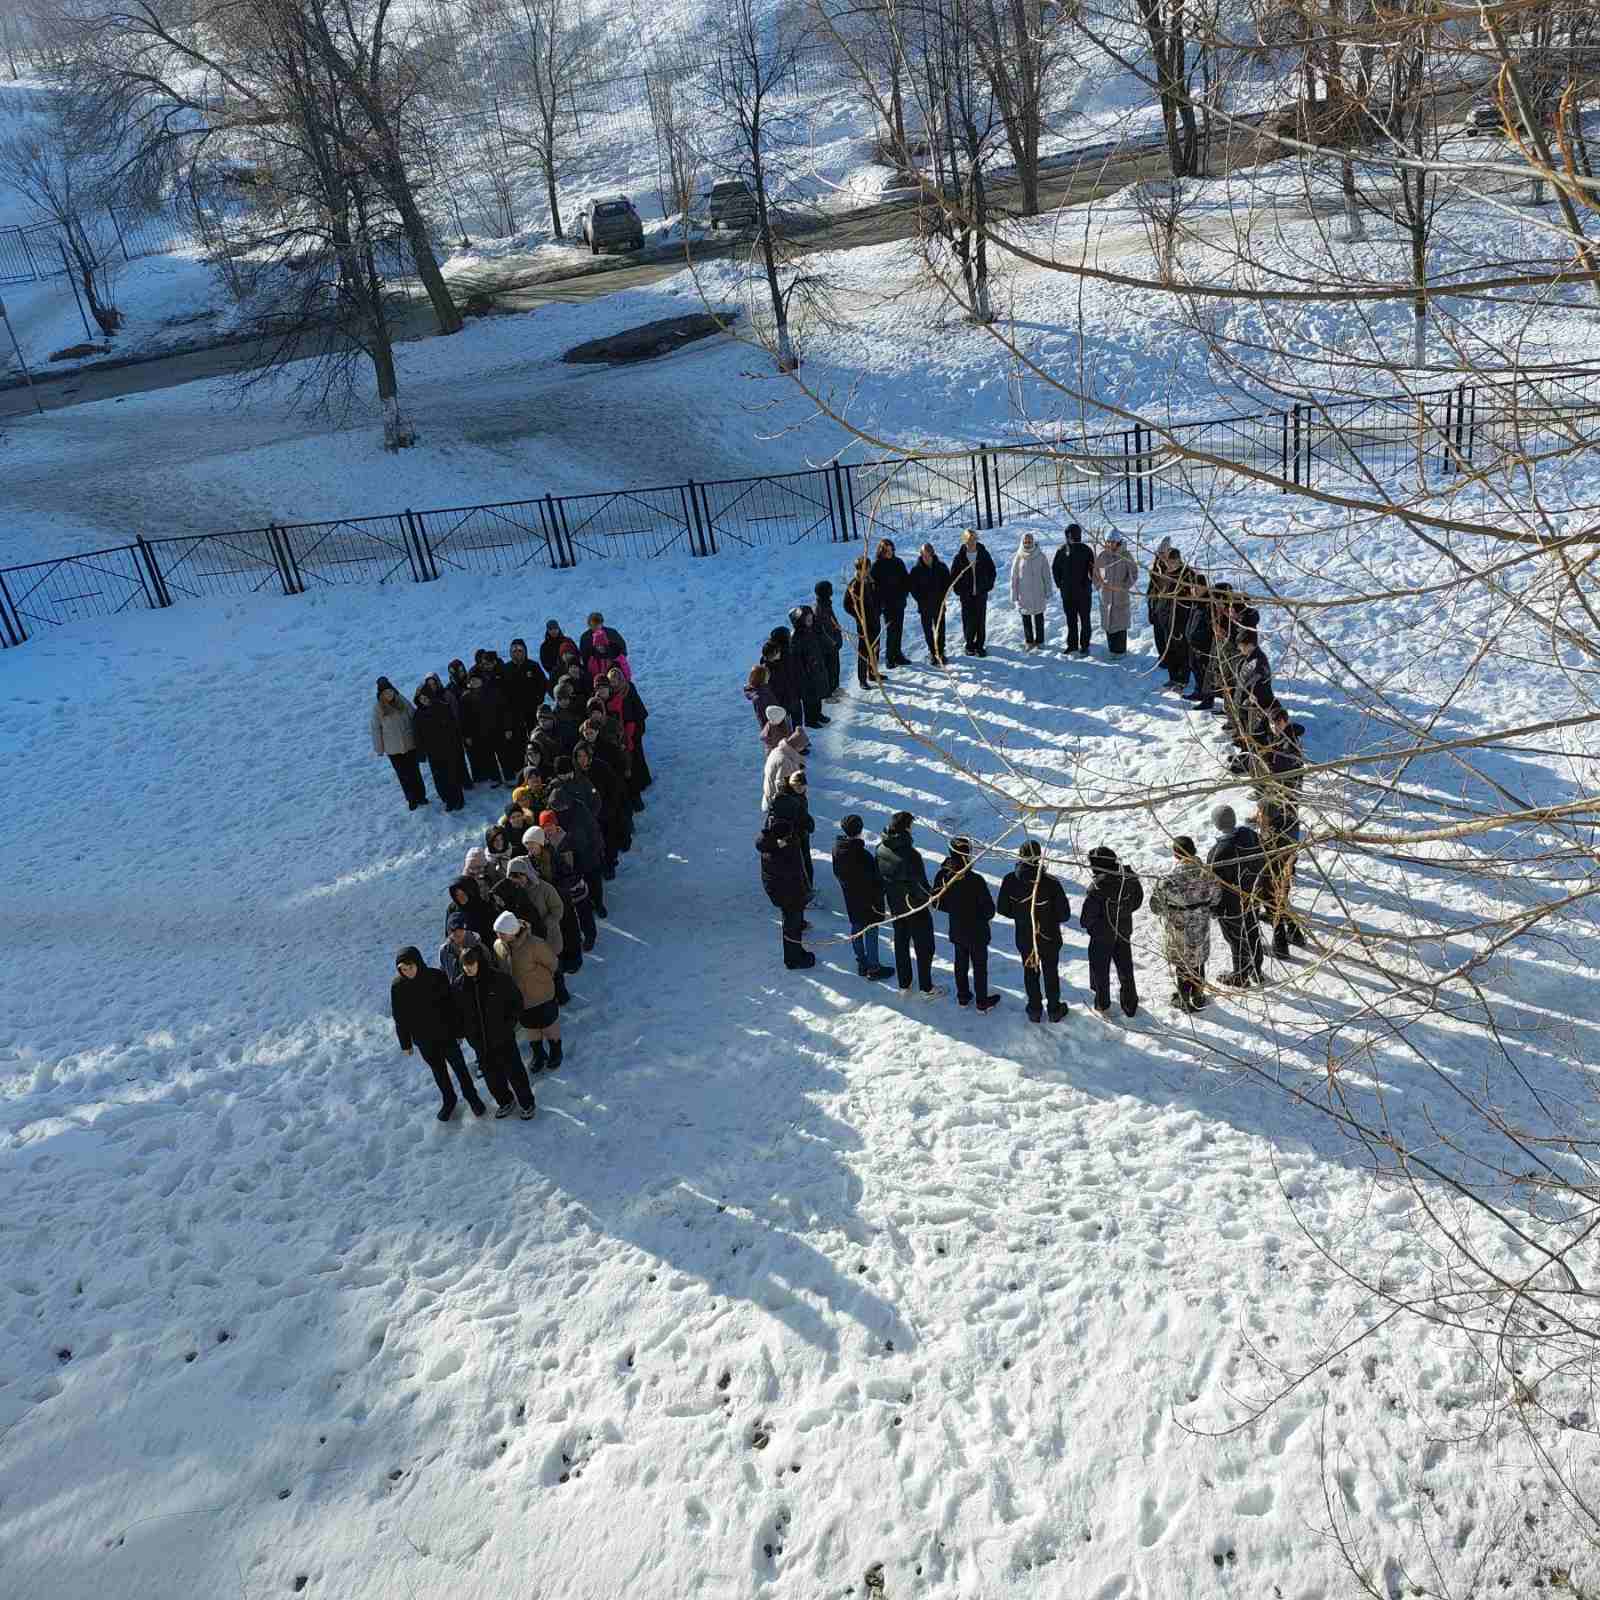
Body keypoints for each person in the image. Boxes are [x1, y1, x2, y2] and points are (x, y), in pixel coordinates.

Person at [392, 946, 484, 1121]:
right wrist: (406, 1043)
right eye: (403, 970)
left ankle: (472, 1097)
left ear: (418, 963)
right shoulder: (398, 986)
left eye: (410, 967)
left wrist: (458, 1031)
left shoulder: (436, 977)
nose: (408, 972)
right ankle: (449, 1099)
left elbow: (452, 1006)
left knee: (460, 1068)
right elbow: (400, 1017)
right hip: (424, 1040)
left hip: (446, 1035)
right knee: (438, 1071)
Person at [452, 943, 536, 1119]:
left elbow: (516, 1003)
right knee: (492, 1076)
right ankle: (505, 1101)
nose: (469, 968)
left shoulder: (499, 979)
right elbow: (457, 1014)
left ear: (479, 961)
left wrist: (508, 1025)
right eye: (465, 965)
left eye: (472, 963)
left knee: (515, 1072)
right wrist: (465, 1032)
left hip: (503, 1037)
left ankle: (527, 1103)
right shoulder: (459, 986)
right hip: (479, 1042)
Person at [997, 841, 1070, 1023]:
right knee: (1050, 972)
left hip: (1025, 936)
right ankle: (1054, 1009)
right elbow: (1065, 914)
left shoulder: (1010, 880)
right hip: (1049, 936)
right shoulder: (1050, 883)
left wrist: (1021, 916)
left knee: (1030, 972)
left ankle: (1034, 1009)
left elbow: (1003, 909)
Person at [876, 812, 944, 998]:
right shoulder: (911, 855)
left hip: (896, 905)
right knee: (925, 946)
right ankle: (926, 988)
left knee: (901, 943)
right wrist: (931, 896)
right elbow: (920, 884)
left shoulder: (880, 848)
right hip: (915, 906)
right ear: (907, 827)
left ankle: (904, 983)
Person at [1150, 835, 1219, 1011]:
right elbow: (1217, 898)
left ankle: (1184, 999)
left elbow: (1156, 906)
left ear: (1176, 854)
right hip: (1201, 926)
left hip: (1179, 929)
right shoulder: (1208, 874)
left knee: (1183, 963)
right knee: (1198, 960)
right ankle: (1198, 994)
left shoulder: (1169, 879)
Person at [932, 837, 1000, 1010]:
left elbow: (936, 901)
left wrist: (954, 909)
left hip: (957, 928)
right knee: (979, 967)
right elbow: (989, 910)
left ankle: (963, 996)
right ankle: (981, 1001)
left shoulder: (944, 876)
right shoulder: (976, 880)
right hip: (977, 931)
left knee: (960, 964)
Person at [492, 910, 563, 1075]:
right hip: (520, 999)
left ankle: (555, 1050)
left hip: (541, 995)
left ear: (512, 931)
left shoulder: (535, 944)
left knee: (548, 1025)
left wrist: (541, 980)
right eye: (497, 932)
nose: (498, 935)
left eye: (501, 932)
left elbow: (552, 963)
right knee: (530, 1027)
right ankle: (539, 1054)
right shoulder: (498, 946)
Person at [1079, 846, 1143, 1017]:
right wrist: (1123, 913)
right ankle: (1130, 1004)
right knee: (1125, 968)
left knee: (1100, 969)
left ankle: (1102, 1003)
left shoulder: (1097, 888)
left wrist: (1093, 927)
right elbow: (1137, 901)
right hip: (1123, 930)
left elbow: (1086, 918)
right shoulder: (1129, 878)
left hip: (1102, 934)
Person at [1207, 804, 1266, 986]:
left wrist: (1214, 908)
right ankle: (1256, 970)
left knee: (1236, 938)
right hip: (1253, 894)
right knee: (1252, 930)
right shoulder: (1251, 836)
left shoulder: (1219, 852)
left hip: (1231, 903)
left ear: (1217, 825)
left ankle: (1240, 976)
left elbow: (1214, 885)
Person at [831, 814, 894, 979]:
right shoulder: (863, 856)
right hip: (868, 900)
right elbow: (875, 881)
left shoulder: (837, 849)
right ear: (860, 830)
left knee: (856, 928)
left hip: (851, 897)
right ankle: (874, 968)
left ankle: (861, 961)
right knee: (871, 930)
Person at [757, 816, 815, 969]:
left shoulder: (770, 846)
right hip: (789, 895)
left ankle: (796, 950)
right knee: (791, 926)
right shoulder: (781, 853)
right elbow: (793, 874)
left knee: (792, 925)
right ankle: (793, 959)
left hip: (784, 893)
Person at [372, 678, 428, 810]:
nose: (388, 695)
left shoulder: (402, 701)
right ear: (380, 695)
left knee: (415, 773)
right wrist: (379, 749)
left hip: (409, 745)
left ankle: (421, 796)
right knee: (403, 776)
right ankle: (411, 799)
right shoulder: (377, 709)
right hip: (394, 749)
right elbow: (376, 729)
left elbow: (414, 716)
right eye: (385, 693)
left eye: (390, 691)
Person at [410, 680, 464, 812]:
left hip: (447, 748)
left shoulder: (442, 707)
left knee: (452, 775)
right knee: (439, 778)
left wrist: (455, 744)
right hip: (433, 753)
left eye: (426, 697)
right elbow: (418, 736)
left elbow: (452, 728)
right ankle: (447, 800)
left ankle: (458, 799)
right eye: (422, 698)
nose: (424, 701)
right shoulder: (418, 715)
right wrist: (421, 753)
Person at [949, 528, 997, 656]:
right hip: (966, 595)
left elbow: (992, 571)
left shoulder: (983, 554)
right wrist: (959, 590)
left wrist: (988, 585)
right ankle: (969, 644)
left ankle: (980, 645)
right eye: (969, 539)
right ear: (964, 540)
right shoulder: (959, 557)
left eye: (974, 539)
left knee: (980, 620)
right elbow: (953, 576)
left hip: (981, 593)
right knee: (968, 620)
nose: (972, 541)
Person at [1052, 524, 1095, 656]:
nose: (1071, 538)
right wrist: (1060, 585)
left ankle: (1085, 645)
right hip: (1068, 593)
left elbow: (1093, 570)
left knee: (1084, 620)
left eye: (1073, 535)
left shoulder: (1086, 550)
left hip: (1083, 593)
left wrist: (1088, 582)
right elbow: (1055, 569)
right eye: (1069, 535)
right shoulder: (1062, 550)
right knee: (1071, 620)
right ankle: (1072, 645)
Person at [1093, 530, 1138, 656]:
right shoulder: (1102, 556)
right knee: (1109, 624)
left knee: (1120, 625)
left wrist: (1124, 586)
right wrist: (1099, 584)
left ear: (1118, 542)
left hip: (1120, 595)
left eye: (1112, 542)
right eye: (1108, 541)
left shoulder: (1126, 555)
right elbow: (1097, 572)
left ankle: (1121, 651)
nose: (1110, 544)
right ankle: (1112, 650)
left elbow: (1133, 573)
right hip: (1106, 595)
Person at [788, 606, 833, 728]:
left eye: (810, 617)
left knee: (818, 694)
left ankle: (818, 714)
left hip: (816, 667)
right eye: (807, 618)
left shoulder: (811, 630)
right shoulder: (796, 637)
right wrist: (805, 672)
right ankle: (810, 720)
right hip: (806, 673)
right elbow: (796, 660)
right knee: (810, 698)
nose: (810, 619)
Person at [906, 542, 951, 665]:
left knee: (940, 629)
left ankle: (940, 652)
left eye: (928, 554)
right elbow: (913, 588)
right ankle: (933, 652)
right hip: (924, 606)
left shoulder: (941, 567)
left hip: (939, 605)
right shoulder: (916, 570)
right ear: (921, 555)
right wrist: (921, 600)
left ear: (932, 554)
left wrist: (943, 597)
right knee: (928, 631)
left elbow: (948, 583)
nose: (926, 557)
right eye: (923, 555)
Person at [870, 538, 912, 668]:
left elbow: (906, 580)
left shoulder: (898, 562)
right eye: (886, 551)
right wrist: (880, 602)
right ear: (881, 551)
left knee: (899, 629)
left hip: (899, 602)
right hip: (887, 604)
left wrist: (904, 595)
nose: (889, 553)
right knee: (891, 630)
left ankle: (898, 654)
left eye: (891, 550)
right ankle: (890, 657)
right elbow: (874, 587)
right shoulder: (877, 565)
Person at [459, 671, 506, 786]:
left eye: (476, 679)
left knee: (503, 754)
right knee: (488, 756)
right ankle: (495, 777)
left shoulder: (492, 692)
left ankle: (508, 775)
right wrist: (467, 735)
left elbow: (502, 710)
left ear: (482, 680)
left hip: (496, 728)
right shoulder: (465, 697)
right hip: (479, 733)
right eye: (471, 680)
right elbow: (464, 719)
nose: (474, 682)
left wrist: (506, 727)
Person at [1008, 532, 1052, 651]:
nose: (1028, 543)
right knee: (1026, 619)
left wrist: (1048, 590)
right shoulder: (1018, 557)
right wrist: (1014, 594)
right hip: (1024, 594)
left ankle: (1040, 641)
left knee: (1039, 618)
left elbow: (1047, 575)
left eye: (1029, 541)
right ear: (1022, 542)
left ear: (1033, 542)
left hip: (1038, 592)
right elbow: (1014, 577)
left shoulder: (1041, 556)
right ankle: (1029, 641)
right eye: (1025, 542)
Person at [844, 556, 881, 689]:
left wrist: (878, 610)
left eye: (868, 568)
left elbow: (877, 597)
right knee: (864, 651)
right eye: (863, 568)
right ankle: (862, 679)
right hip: (864, 624)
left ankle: (873, 673)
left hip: (875, 620)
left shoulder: (871, 581)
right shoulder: (854, 584)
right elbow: (846, 605)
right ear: (858, 569)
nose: (866, 571)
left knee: (875, 648)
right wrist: (858, 616)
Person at [762, 727, 810, 811]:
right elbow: (782, 788)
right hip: (776, 803)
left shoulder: (779, 750)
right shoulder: (785, 761)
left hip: (770, 794)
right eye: (803, 747)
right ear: (798, 746)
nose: (803, 749)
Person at [812, 580, 845, 698]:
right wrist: (833, 642)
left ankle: (835, 688)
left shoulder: (826, 604)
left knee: (835, 668)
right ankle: (829, 694)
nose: (832, 591)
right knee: (829, 670)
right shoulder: (819, 609)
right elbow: (822, 630)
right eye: (830, 589)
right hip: (828, 646)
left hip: (833, 643)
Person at [445, 873, 497, 943]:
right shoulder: (452, 909)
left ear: (471, 892)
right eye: (457, 895)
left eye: (463, 894)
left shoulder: (484, 906)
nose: (461, 898)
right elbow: (448, 933)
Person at [438, 912, 484, 987]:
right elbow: (443, 974)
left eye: (460, 929)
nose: (457, 933)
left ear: (466, 928)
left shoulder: (477, 944)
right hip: (457, 992)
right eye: (453, 930)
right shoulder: (444, 951)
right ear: (449, 932)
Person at [745, 663, 780, 732]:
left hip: (777, 724)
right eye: (767, 676)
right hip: (773, 730)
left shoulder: (764, 689)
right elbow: (762, 717)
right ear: (761, 678)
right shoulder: (759, 696)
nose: (769, 677)